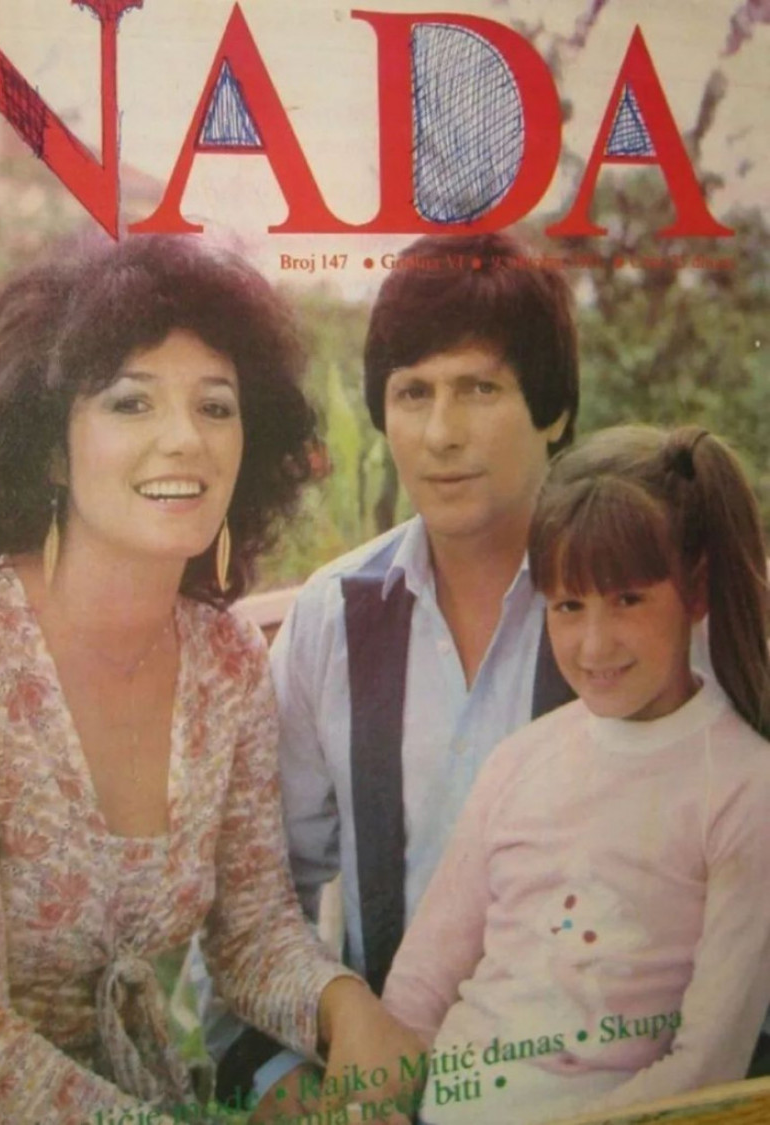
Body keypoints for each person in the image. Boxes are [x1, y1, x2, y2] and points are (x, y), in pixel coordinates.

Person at [0, 235, 421, 1125]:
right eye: (131, 402)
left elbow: (250, 933)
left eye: (215, 406)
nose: (185, 439)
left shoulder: (227, 660)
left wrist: (341, 1004)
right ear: (51, 450)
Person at [231, 232, 580, 1113]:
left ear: (554, 410)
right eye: (413, 392)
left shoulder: (645, 612)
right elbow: (255, 895)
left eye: (480, 388)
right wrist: (284, 1083)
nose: (440, 433)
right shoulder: (330, 618)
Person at [383, 424, 770, 1125]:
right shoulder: (520, 759)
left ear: (696, 589)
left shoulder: (745, 787)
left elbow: (707, 1065)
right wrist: (379, 1099)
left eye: (628, 600)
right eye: (568, 606)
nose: (594, 645)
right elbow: (420, 986)